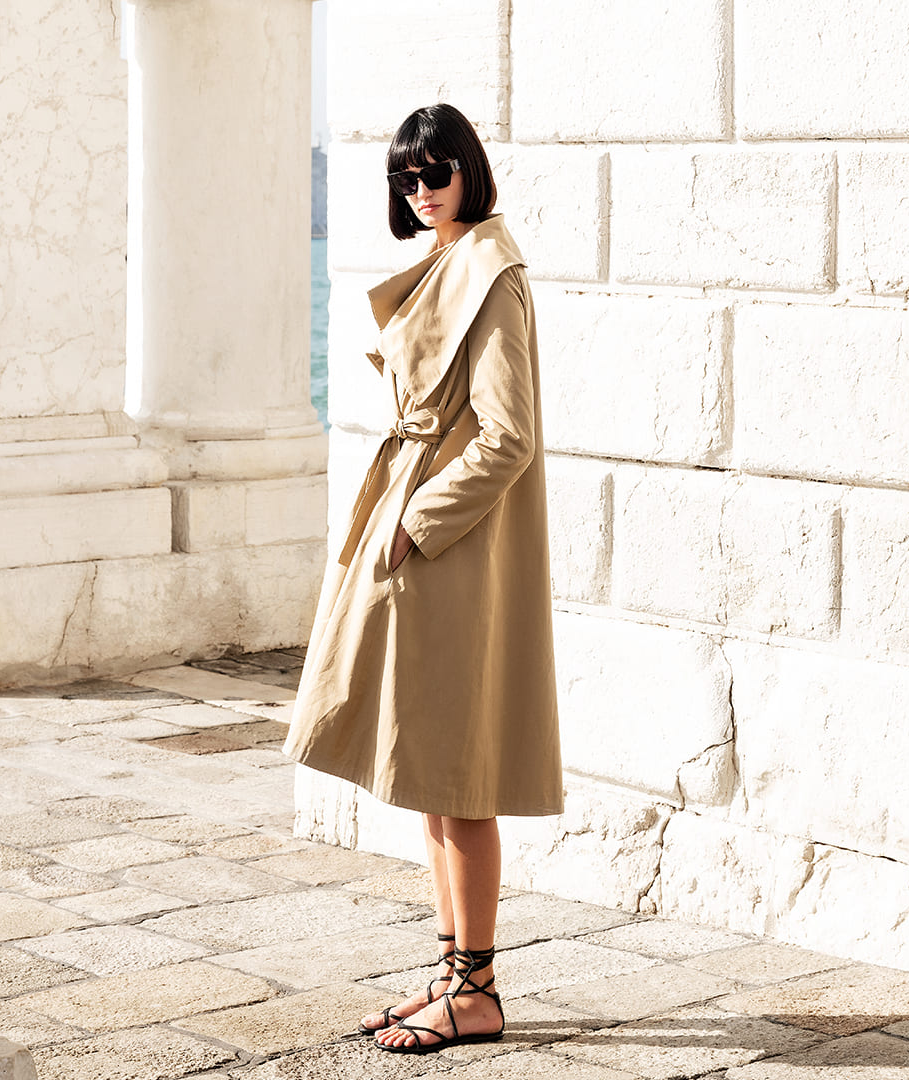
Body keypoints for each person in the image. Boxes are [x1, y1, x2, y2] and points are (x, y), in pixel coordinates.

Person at [282, 103, 563, 1054]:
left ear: (468, 169)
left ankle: (477, 990)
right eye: (406, 178)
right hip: (421, 538)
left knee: (463, 774)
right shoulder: (454, 261)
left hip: (452, 550)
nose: (421, 190)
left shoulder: (492, 274)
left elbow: (509, 436)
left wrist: (417, 522)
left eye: (436, 172)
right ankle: (451, 975)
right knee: (437, 773)